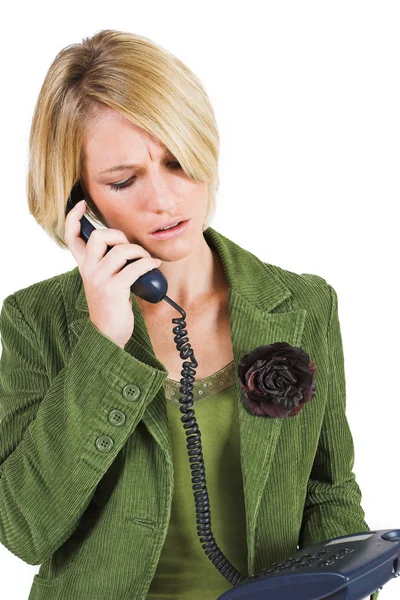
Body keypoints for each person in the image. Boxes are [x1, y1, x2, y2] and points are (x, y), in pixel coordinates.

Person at [0, 29, 378, 600]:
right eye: (123, 180)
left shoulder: (303, 306)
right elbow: (24, 529)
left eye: (178, 162)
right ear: (81, 202)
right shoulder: (37, 320)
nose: (163, 200)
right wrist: (104, 343)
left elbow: (327, 492)